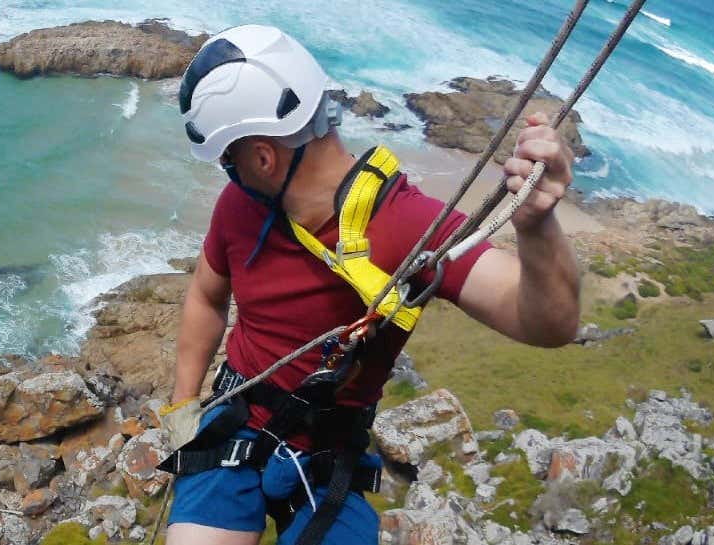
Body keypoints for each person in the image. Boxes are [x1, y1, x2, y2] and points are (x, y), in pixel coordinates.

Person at [163, 25, 580, 545]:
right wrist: (183, 409)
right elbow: (206, 295)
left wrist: (538, 227)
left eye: (230, 161)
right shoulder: (239, 208)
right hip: (238, 422)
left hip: (326, 455)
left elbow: (549, 324)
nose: (228, 176)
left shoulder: (409, 227)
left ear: (262, 158)